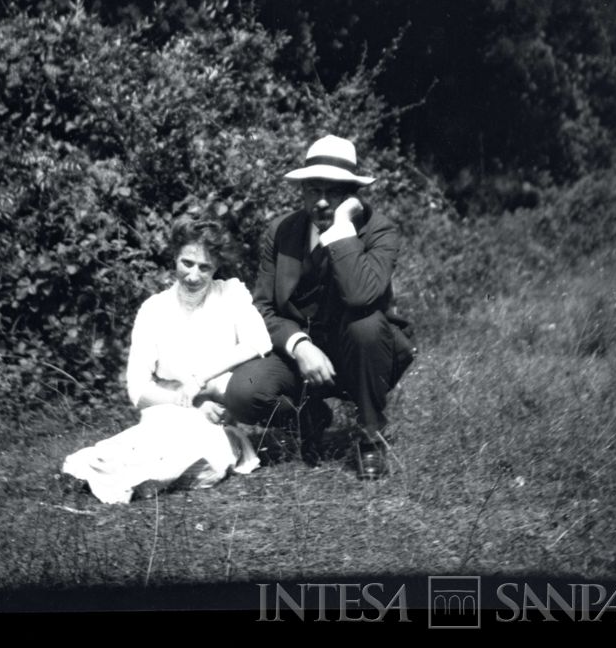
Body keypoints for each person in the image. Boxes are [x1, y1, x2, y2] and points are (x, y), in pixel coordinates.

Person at [223, 135, 415, 480]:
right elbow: (262, 308)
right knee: (242, 392)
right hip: (300, 355)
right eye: (314, 190)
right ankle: (308, 417)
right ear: (302, 191)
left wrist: (342, 230)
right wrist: (299, 346)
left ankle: (370, 436)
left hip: (362, 353)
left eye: (336, 191)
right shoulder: (281, 231)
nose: (323, 201)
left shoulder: (379, 231)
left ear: (353, 194)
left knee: (366, 325)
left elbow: (361, 297)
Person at [62, 218, 272, 504]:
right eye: (187, 263)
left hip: (216, 415)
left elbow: (259, 342)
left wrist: (202, 385)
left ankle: (119, 478)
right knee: (154, 442)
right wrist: (187, 401)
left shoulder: (230, 295)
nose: (194, 276)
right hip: (169, 410)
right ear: (174, 257)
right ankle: (96, 471)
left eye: (205, 267)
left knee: (200, 454)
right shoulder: (154, 310)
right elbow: (137, 390)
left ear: (216, 267)